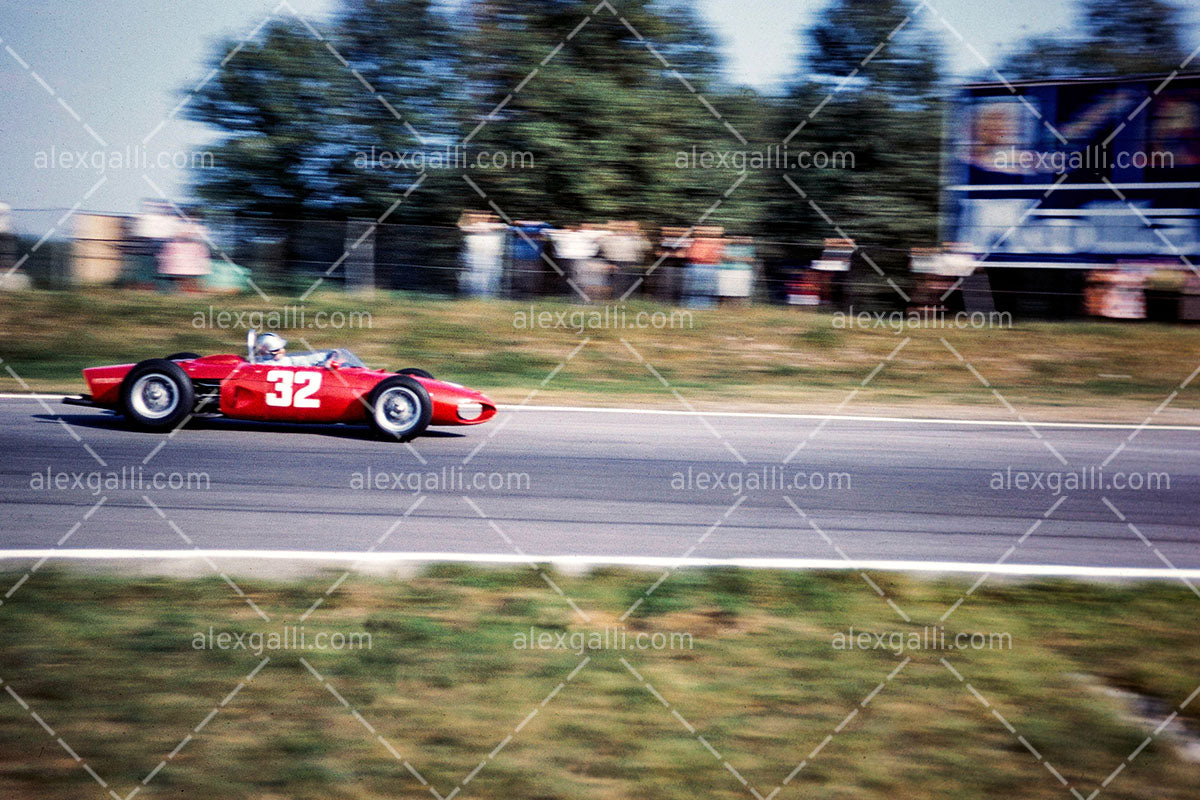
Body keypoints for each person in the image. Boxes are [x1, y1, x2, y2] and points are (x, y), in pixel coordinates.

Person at [253, 332, 331, 366]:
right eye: (278, 350)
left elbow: (309, 359)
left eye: (281, 348)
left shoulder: (286, 360)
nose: (282, 351)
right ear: (269, 352)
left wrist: (331, 356)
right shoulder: (263, 365)